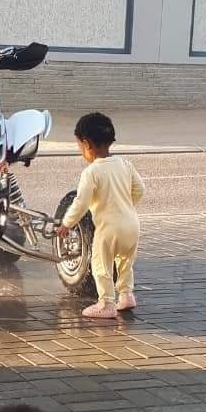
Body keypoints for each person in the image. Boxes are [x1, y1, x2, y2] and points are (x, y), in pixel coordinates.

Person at [57, 112, 145, 319]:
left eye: (79, 146)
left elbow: (81, 202)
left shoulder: (91, 172)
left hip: (108, 229)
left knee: (101, 265)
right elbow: (140, 189)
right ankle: (126, 295)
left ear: (86, 144)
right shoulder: (125, 164)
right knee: (125, 262)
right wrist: (126, 205)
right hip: (132, 225)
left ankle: (106, 303)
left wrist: (67, 224)